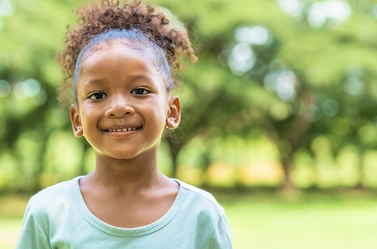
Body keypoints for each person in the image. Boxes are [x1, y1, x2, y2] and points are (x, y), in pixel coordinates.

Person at [16, 0, 233, 248]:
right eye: (97, 95)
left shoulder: (201, 215)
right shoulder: (49, 213)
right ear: (77, 120)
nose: (119, 107)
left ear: (171, 111)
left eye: (139, 90)